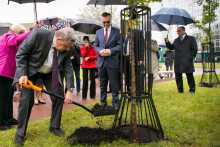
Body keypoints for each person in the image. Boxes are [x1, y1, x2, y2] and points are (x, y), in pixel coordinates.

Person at [13, 27, 76, 146]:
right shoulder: (38, 34)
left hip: (50, 71)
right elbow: (21, 54)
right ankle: (20, 133)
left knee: (58, 95)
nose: (68, 49)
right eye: (66, 46)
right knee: (27, 100)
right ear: (58, 40)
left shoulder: (69, 46)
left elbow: (68, 67)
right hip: (30, 71)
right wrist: (22, 74)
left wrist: (70, 90)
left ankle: (54, 126)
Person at [0, 24, 37, 131]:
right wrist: (32, 32)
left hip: (9, 73)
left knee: (8, 97)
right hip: (3, 72)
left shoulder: (11, 38)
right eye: (21, 33)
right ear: (15, 31)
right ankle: (2, 123)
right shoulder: (8, 36)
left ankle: (9, 118)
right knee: (3, 99)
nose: (22, 36)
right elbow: (14, 41)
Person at [94, 12, 120, 110]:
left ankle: (115, 103)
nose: (105, 24)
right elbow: (95, 45)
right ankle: (103, 103)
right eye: (104, 22)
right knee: (102, 84)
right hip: (101, 62)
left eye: (107, 22)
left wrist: (109, 51)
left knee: (114, 84)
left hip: (112, 62)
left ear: (111, 20)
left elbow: (119, 46)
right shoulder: (98, 32)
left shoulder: (117, 31)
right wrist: (100, 51)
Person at [165, 26, 198, 95]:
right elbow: (172, 47)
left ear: (183, 31)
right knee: (178, 76)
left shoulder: (191, 39)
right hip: (178, 61)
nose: (178, 32)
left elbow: (194, 49)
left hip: (187, 61)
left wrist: (190, 57)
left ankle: (192, 90)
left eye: (179, 31)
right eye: (177, 31)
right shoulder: (176, 40)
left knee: (189, 76)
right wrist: (167, 42)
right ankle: (180, 89)